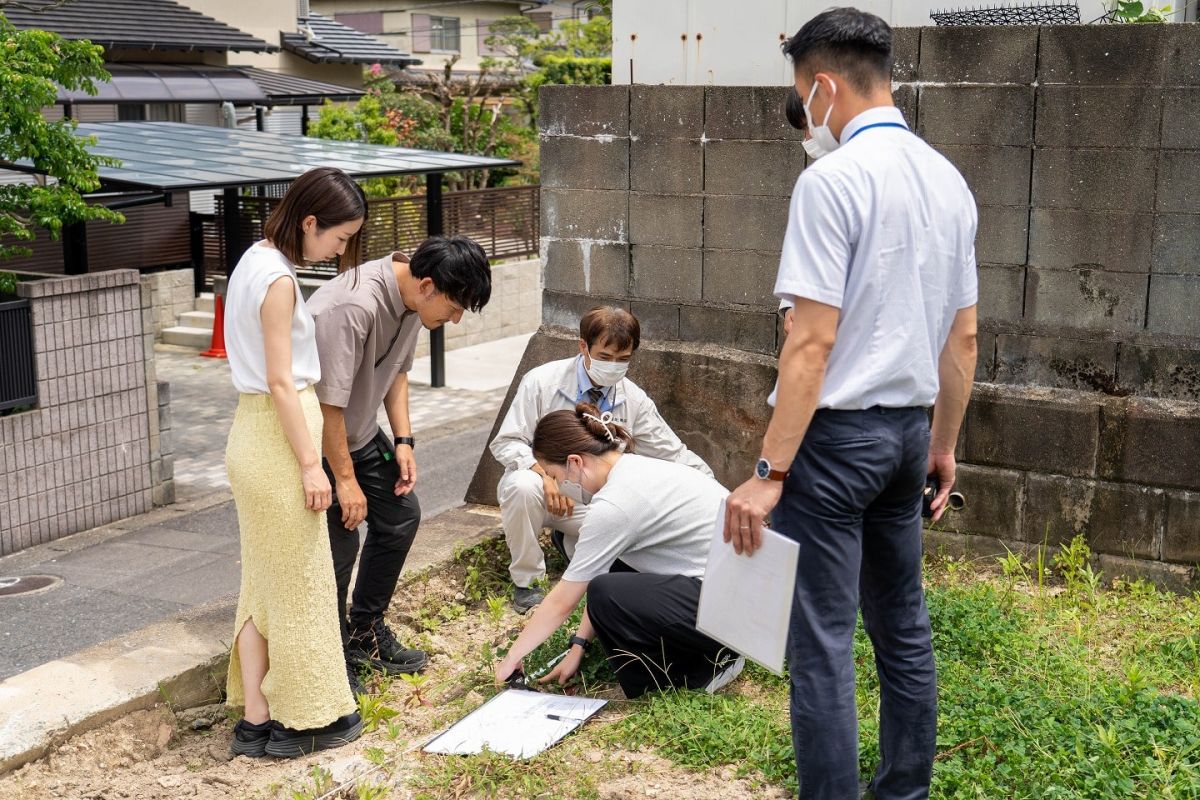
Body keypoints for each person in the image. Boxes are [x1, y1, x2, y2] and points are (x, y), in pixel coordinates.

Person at [723, 9, 979, 800]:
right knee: (903, 625)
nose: (808, 117)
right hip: (907, 436)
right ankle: (904, 791)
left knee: (824, 641)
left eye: (804, 97)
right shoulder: (949, 180)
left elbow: (810, 343)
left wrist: (769, 470)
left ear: (824, 84)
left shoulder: (830, 182)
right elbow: (963, 340)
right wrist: (943, 444)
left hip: (835, 443)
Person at [223, 167, 366, 759]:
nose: (338, 250)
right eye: (337, 238)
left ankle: (257, 717)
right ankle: (311, 718)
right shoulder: (278, 280)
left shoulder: (252, 260)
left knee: (261, 585)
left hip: (251, 432)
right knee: (303, 583)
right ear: (310, 222)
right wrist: (313, 465)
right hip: (280, 440)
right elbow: (283, 381)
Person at [308, 235, 492, 691]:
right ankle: (331, 658)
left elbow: (397, 372)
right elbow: (326, 405)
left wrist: (404, 439)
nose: (452, 319)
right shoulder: (353, 307)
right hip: (320, 441)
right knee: (340, 545)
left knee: (400, 516)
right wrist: (345, 481)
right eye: (453, 308)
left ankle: (365, 633)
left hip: (363, 433)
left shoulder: (413, 300)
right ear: (428, 285)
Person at [492, 403, 743, 698]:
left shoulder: (616, 504)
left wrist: (511, 659)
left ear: (574, 462)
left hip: (728, 612)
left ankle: (702, 668)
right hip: (738, 598)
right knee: (609, 577)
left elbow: (564, 601)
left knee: (607, 592)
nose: (559, 486)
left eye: (554, 476)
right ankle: (706, 650)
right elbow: (601, 570)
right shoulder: (635, 468)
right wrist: (579, 645)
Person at [489, 306, 712, 613]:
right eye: (605, 357)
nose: (613, 366)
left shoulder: (633, 399)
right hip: (548, 494)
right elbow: (507, 441)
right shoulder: (542, 382)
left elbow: (673, 453)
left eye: (623, 359)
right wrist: (543, 474)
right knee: (521, 486)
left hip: (597, 504)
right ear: (584, 347)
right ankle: (528, 583)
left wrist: (721, 495)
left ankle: (571, 546)